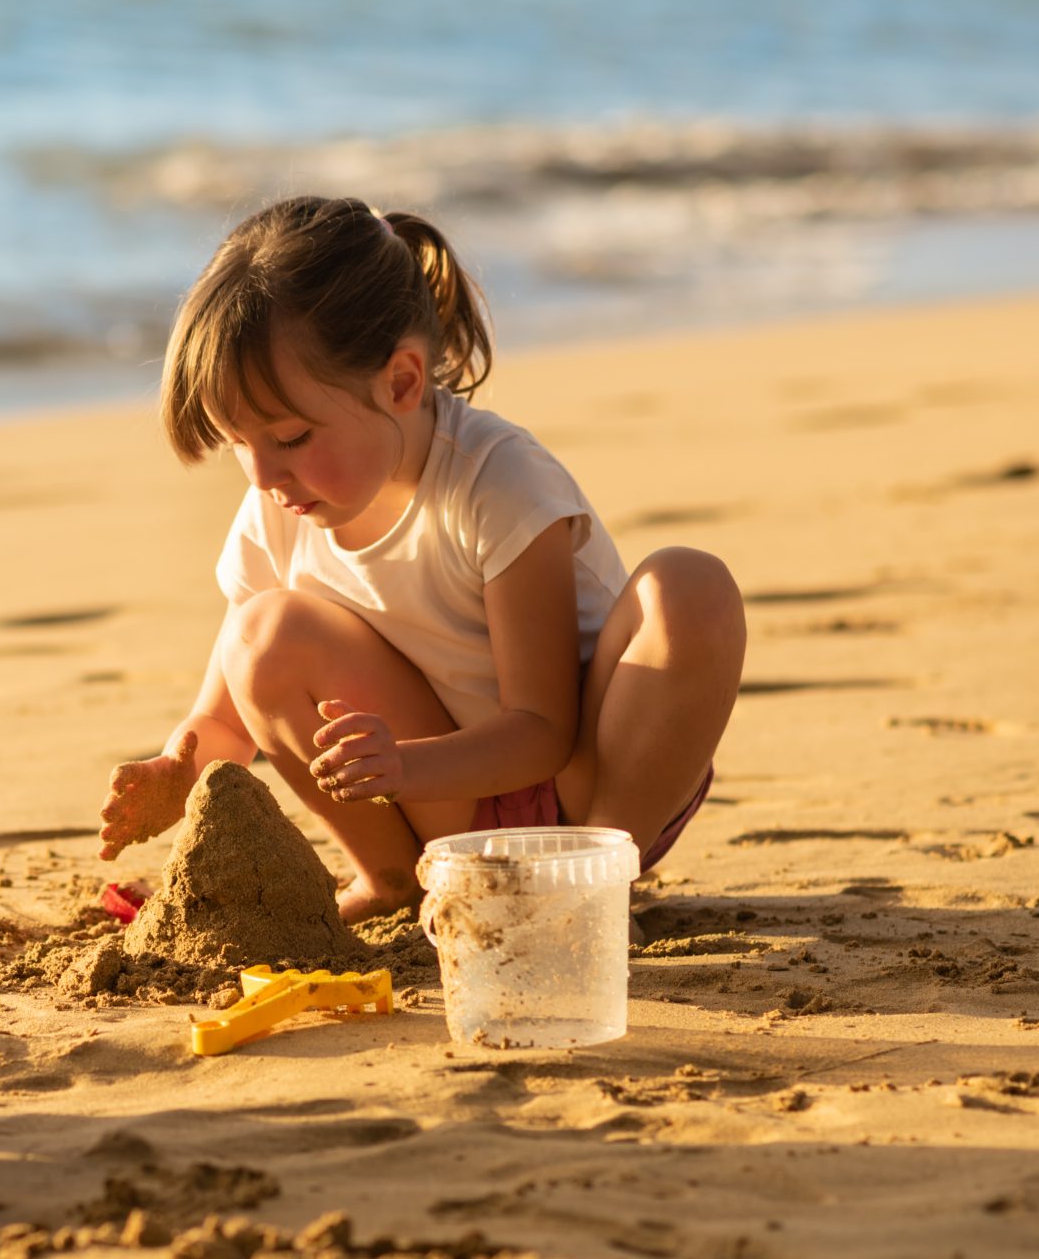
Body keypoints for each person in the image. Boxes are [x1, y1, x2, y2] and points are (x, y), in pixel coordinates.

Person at [98, 196, 746, 918]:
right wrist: (176, 768)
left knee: (690, 585)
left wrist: (405, 765)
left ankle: (595, 887)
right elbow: (225, 719)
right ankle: (392, 879)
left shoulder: (497, 482)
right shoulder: (276, 513)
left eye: (288, 438)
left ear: (403, 382)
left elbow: (543, 730)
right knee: (260, 635)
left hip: (587, 786)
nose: (261, 476)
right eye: (238, 445)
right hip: (450, 816)